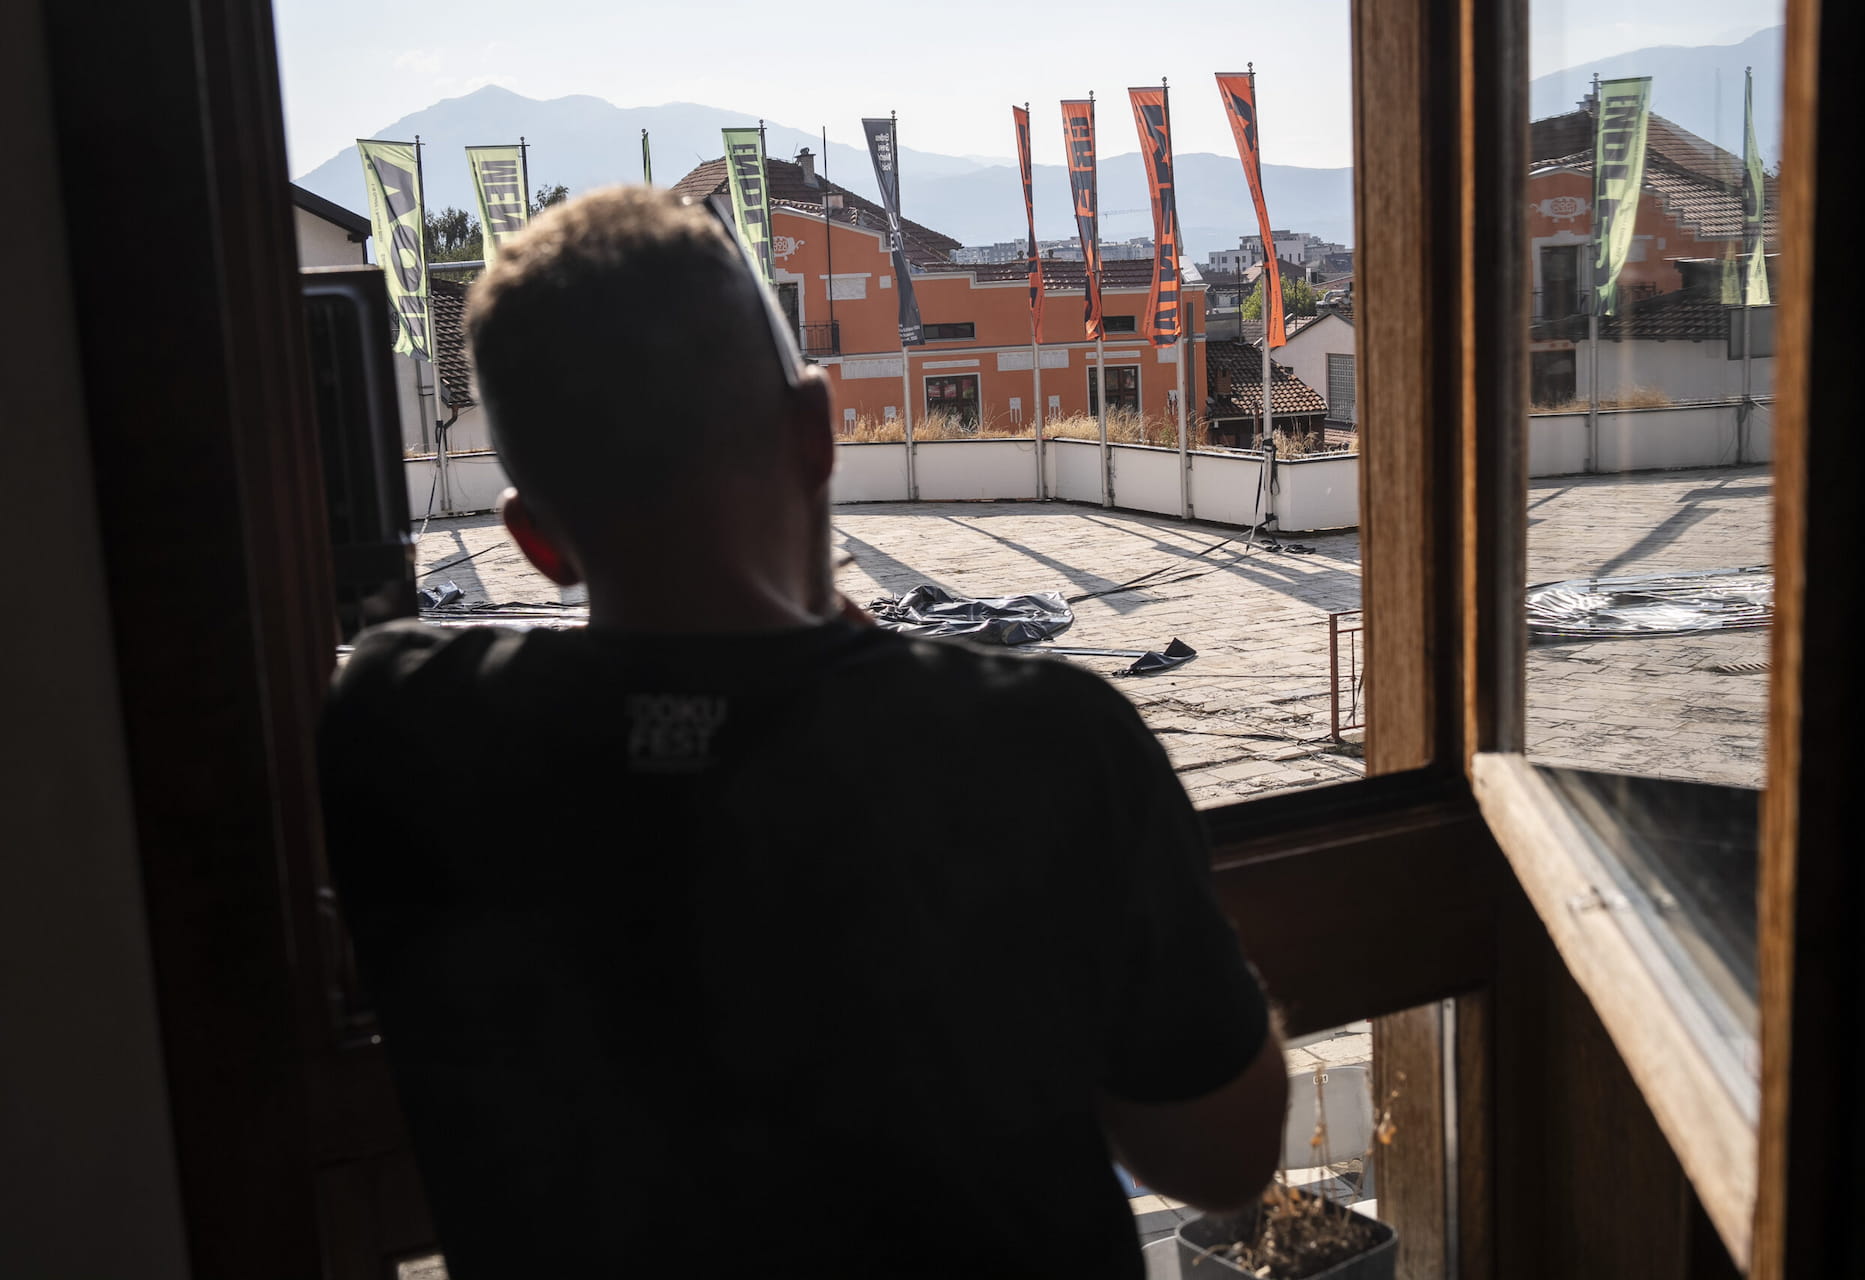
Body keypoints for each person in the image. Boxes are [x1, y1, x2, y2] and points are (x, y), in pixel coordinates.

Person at [320, 185, 1289, 1280]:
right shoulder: (1042, 746)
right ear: (820, 433)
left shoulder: (405, 727)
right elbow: (1222, 1154)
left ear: (534, 542)